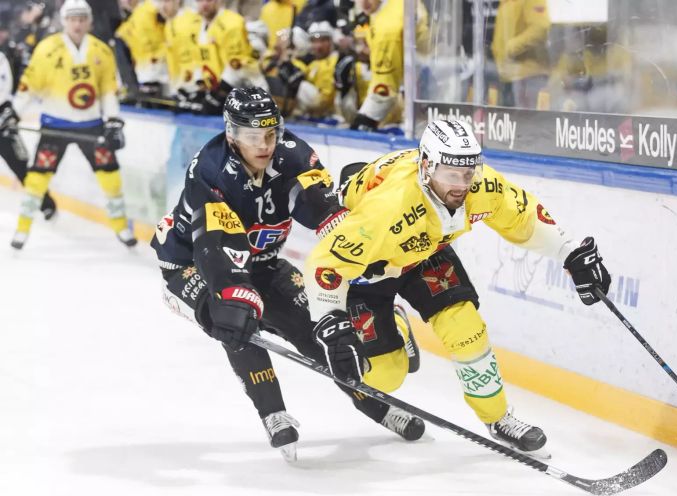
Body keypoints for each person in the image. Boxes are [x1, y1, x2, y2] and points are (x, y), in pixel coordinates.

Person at [303, 119, 611, 455]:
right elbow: (325, 265)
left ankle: (499, 419)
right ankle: (398, 323)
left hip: (424, 252)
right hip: (368, 272)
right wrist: (331, 322)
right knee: (383, 377)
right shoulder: (389, 207)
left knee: (467, 330)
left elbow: (525, 218)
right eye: (451, 173)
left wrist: (570, 252)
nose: (462, 184)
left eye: (469, 172)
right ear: (426, 167)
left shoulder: (480, 185)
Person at [151, 86, 424, 462]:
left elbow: (323, 210)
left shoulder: (294, 155)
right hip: (191, 266)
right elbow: (216, 248)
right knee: (237, 323)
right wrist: (233, 296)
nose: (264, 145)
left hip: (262, 263)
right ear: (231, 133)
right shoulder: (210, 170)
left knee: (317, 336)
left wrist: (366, 259)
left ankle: (375, 403)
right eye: (252, 136)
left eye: (270, 133)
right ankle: (273, 413)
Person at [7, 0, 133, 250]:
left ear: (89, 21)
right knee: (36, 180)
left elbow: (108, 91)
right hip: (55, 126)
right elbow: (29, 87)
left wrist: (113, 121)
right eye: (72, 19)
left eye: (82, 18)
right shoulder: (46, 49)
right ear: (64, 21)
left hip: (92, 126)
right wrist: (15, 114)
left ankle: (121, 227)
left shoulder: (101, 51)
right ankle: (22, 229)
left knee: (111, 177)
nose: (77, 23)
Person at [0, 18, 56, 221]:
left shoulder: (1, 59)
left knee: (21, 165)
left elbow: (3, 90)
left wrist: (8, 115)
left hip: (3, 119)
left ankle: (46, 203)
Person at [349, 0, 429, 131]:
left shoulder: (387, 28)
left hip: (429, 86)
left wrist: (365, 119)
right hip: (429, 76)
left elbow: (385, 90)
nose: (363, 3)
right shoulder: (392, 7)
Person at [491, 0, 551, 109]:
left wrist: (510, 48)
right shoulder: (505, 2)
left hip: (528, 76)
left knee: (526, 122)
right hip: (509, 76)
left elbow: (540, 29)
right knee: (508, 122)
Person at [278, 21, 337, 119]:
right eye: (315, 41)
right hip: (316, 107)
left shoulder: (336, 60)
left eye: (323, 41)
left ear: (331, 42)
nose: (319, 46)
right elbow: (303, 72)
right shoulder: (314, 63)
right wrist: (290, 63)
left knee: (298, 84)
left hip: (329, 107)